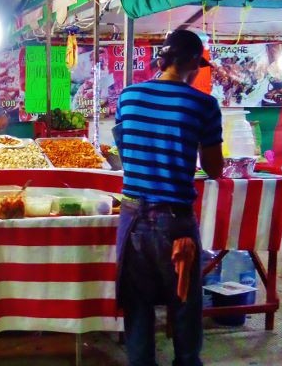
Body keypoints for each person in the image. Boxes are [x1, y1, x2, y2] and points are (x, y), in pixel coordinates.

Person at [114, 29, 224, 366]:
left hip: (131, 219)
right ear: (192, 62)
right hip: (174, 221)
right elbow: (214, 168)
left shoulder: (128, 96)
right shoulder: (203, 104)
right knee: (185, 303)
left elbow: (124, 151)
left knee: (137, 306)